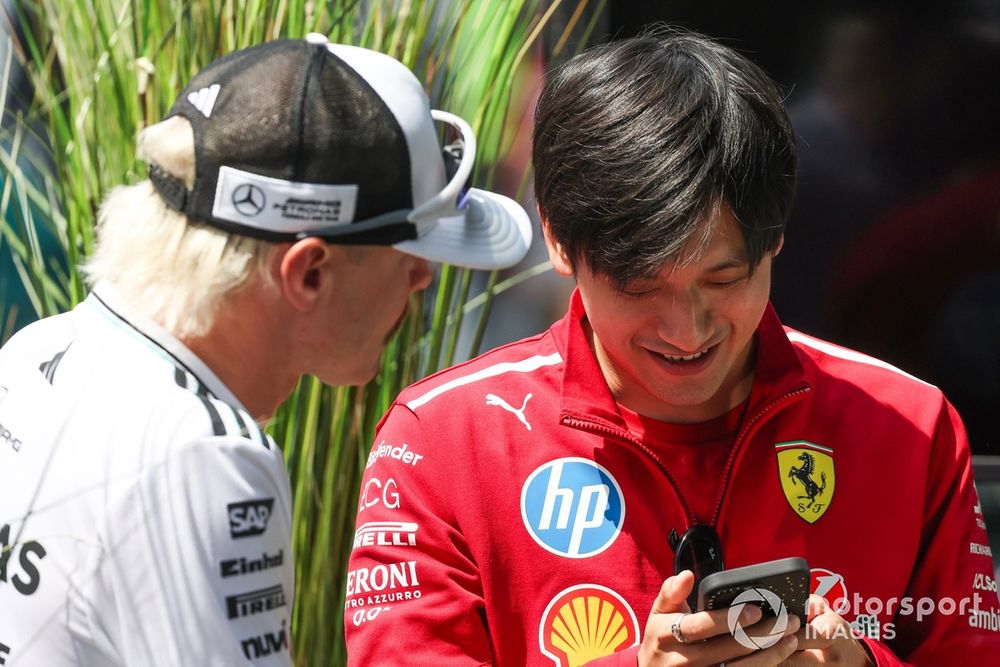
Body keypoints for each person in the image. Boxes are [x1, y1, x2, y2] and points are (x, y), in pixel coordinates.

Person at [344, 28, 1000, 666]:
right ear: (558, 240)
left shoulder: (911, 425)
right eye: (638, 287)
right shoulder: (441, 442)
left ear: (775, 239)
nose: (686, 330)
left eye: (723, 278)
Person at [0, 34, 530, 666]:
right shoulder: (207, 453)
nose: (424, 281)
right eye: (412, 256)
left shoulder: (38, 349)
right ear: (307, 273)